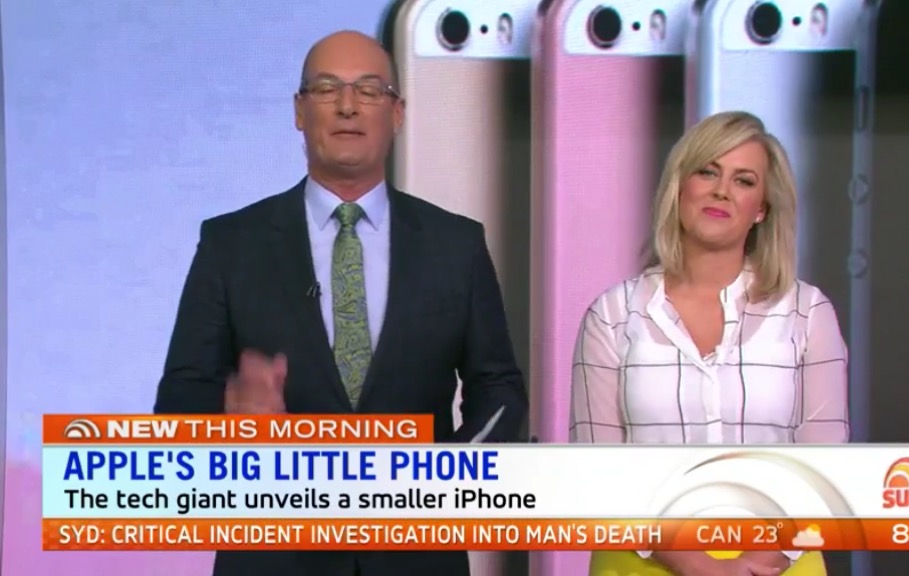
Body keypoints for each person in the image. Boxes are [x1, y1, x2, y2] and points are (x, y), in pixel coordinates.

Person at [154, 31, 527, 576]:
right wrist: (229, 420)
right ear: (299, 111)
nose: (348, 105)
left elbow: (499, 388)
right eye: (327, 89)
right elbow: (179, 399)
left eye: (369, 90)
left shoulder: (456, 244)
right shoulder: (231, 243)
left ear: (397, 114)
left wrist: (450, 477)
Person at [570, 111, 848, 576]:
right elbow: (597, 468)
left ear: (762, 209)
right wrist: (698, 565)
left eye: (743, 180)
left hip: (779, 564)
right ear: (680, 188)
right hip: (643, 562)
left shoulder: (807, 313)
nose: (722, 191)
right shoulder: (613, 314)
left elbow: (824, 467)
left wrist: (757, 563)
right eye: (707, 172)